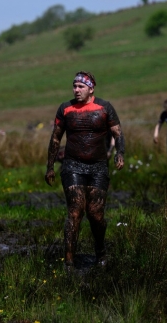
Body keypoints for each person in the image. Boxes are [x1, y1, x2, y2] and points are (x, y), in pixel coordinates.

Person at [45, 71, 125, 271]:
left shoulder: (105, 107)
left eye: (80, 87)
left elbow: (118, 132)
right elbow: (56, 138)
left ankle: (101, 253)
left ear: (91, 88)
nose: (76, 90)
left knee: (95, 214)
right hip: (72, 165)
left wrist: (119, 153)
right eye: (74, 86)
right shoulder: (65, 108)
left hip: (98, 167)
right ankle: (69, 262)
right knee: (75, 212)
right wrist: (50, 166)